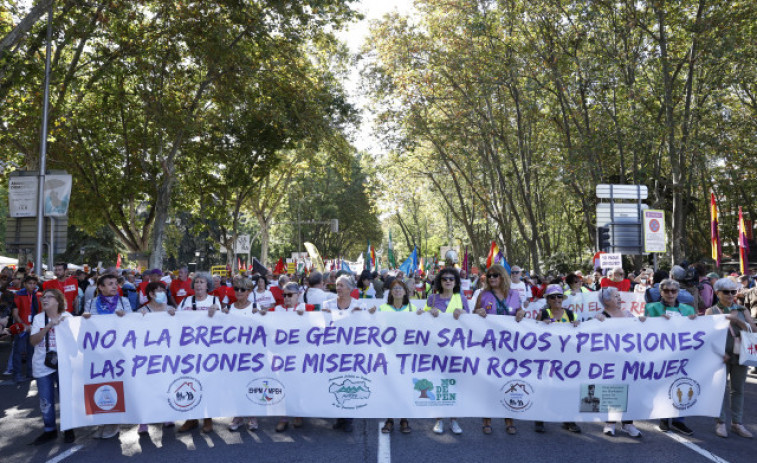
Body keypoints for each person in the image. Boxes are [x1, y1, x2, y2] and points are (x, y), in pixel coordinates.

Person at [474, 264, 525, 435]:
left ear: (503, 276)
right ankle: (486, 420)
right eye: (489, 276)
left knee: (508, 383)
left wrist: (521, 313)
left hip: (509, 347)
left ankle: (508, 420)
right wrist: (478, 312)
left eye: (495, 275)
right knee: (489, 383)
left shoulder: (514, 295)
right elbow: (472, 316)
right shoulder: (483, 295)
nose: (492, 279)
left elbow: (519, 313)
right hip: (488, 346)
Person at [644, 278, 697, 436]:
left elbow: (696, 330)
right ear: (661, 292)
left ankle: (679, 421)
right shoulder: (651, 307)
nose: (670, 294)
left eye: (673, 291)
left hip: (682, 354)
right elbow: (643, 328)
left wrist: (696, 321)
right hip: (660, 353)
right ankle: (663, 417)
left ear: (678, 292)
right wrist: (650, 320)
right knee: (663, 385)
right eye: (666, 291)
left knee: (682, 385)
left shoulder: (687, 310)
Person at [176, 272, 227, 433]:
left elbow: (223, 321)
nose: (198, 285)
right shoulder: (185, 301)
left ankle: (208, 419)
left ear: (208, 286)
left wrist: (217, 310)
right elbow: (175, 321)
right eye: (196, 282)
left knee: (208, 385)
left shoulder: (214, 300)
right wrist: (171, 313)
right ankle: (191, 418)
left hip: (209, 351)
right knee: (190, 383)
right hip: (189, 350)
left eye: (202, 282)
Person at [704, 278, 756, 438]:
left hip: (741, 354)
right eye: (726, 292)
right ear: (718, 293)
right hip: (721, 357)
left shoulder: (742, 309)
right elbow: (707, 337)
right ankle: (720, 422)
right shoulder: (711, 311)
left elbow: (753, 330)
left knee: (738, 389)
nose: (730, 295)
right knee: (719, 390)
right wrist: (720, 353)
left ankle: (737, 423)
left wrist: (737, 321)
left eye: (733, 291)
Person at [82, 274, 132, 439]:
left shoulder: (123, 302)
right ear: (100, 288)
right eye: (110, 284)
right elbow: (85, 326)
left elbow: (133, 324)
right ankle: (102, 420)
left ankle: (114, 422)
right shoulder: (91, 303)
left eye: (116, 284)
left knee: (116, 385)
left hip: (118, 351)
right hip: (97, 353)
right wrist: (85, 318)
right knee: (98, 385)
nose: (114, 286)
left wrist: (125, 318)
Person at [421, 267, 468, 435]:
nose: (448, 281)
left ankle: (454, 420)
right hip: (437, 348)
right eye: (444, 279)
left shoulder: (461, 298)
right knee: (439, 383)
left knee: (455, 384)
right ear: (439, 282)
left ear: (456, 282)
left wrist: (463, 312)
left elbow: (472, 321)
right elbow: (424, 321)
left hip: (456, 349)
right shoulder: (432, 298)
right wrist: (429, 312)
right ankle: (439, 419)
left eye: (451, 279)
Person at [594, 287, 643, 438]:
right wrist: (596, 321)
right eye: (616, 296)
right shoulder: (601, 316)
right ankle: (610, 423)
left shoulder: (628, 314)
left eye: (619, 296)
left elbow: (639, 330)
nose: (619, 298)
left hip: (627, 360)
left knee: (629, 390)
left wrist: (642, 321)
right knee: (611, 390)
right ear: (606, 301)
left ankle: (628, 424)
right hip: (609, 361)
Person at [29, 289, 75, 445]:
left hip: (64, 364)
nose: (44, 299)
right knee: (46, 400)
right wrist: (49, 326)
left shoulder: (67, 317)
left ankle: (68, 428)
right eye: (43, 297)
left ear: (58, 300)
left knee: (66, 397)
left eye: (49, 297)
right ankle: (49, 430)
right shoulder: (38, 318)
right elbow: (33, 341)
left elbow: (76, 340)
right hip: (42, 364)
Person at [534, 284, 581, 434]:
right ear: (548, 299)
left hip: (566, 359)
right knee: (545, 388)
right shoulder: (543, 313)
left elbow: (580, 332)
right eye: (553, 297)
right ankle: (539, 419)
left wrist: (577, 325)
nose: (556, 299)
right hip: (547, 359)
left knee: (567, 389)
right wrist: (541, 325)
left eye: (559, 296)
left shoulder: (570, 314)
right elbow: (533, 333)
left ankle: (568, 420)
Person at [368, 279, 414, 434]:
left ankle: (404, 419)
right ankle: (389, 420)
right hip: (387, 355)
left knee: (404, 388)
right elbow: (372, 325)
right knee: (389, 387)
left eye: (400, 288)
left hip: (406, 356)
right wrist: (371, 315)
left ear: (405, 291)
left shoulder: (412, 309)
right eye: (394, 288)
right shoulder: (382, 308)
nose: (397, 291)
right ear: (390, 292)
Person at [322, 275, 364, 433]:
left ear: (350, 288)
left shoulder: (360, 305)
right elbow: (321, 325)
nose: (338, 288)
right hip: (333, 352)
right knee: (336, 383)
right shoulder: (327, 304)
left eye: (341, 285)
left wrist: (366, 315)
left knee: (349, 383)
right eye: (337, 285)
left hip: (352, 353)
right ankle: (340, 417)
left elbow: (366, 326)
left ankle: (348, 419)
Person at [226, 277, 260, 432]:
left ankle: (252, 416)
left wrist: (261, 315)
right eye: (236, 289)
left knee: (252, 383)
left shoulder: (256, 307)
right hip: (233, 355)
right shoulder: (228, 308)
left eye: (242, 290)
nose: (238, 292)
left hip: (252, 354)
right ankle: (238, 416)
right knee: (235, 386)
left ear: (249, 292)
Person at [11, 275, 40, 384]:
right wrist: (24, 325)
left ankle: (30, 373)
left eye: (34, 283)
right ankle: (17, 374)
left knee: (32, 351)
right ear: (24, 284)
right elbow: (15, 314)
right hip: (21, 328)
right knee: (18, 351)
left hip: (33, 327)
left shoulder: (37, 294)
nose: (32, 285)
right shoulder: (18, 295)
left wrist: (34, 326)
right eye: (30, 283)